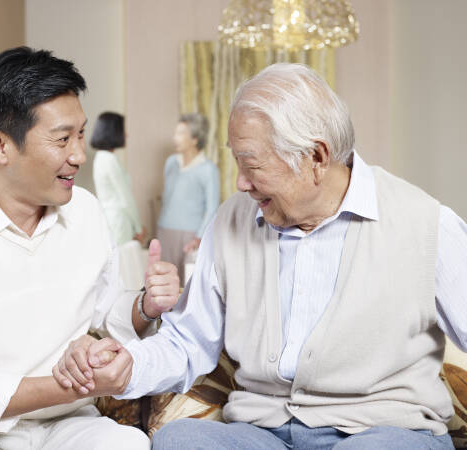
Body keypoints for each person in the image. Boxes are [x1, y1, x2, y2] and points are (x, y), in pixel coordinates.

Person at [55, 63, 466, 449]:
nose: (241, 183)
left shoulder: (426, 223)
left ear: (317, 158)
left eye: (251, 165)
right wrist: (127, 364)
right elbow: (187, 341)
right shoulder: (231, 219)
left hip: (383, 433)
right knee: (180, 440)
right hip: (263, 434)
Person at [0, 47, 179, 450]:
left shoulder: (87, 212)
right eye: (61, 139)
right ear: (0, 145)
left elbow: (106, 315)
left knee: (126, 444)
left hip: (67, 423)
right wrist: (68, 386)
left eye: (80, 134)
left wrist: (147, 307)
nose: (79, 154)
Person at [157, 113, 220, 284]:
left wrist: (199, 237)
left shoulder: (208, 169)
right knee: (163, 284)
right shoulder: (170, 163)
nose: (174, 138)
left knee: (188, 286)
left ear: (195, 139)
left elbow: (213, 207)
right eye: (175, 133)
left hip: (191, 236)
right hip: (165, 231)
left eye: (181, 133)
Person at [92, 112, 147, 290]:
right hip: (119, 222)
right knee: (125, 272)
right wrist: (138, 228)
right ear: (113, 131)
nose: (127, 134)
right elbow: (126, 199)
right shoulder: (110, 160)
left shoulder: (100, 158)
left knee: (116, 270)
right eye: (123, 129)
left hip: (110, 220)